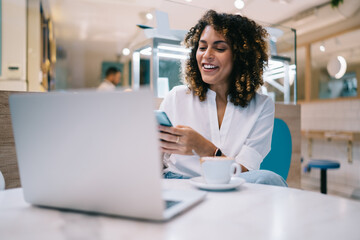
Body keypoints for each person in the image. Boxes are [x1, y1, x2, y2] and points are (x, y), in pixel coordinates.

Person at [158, 10, 287, 187]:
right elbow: (154, 162)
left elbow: (245, 173)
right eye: (202, 47)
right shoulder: (176, 97)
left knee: (268, 179)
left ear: (241, 56)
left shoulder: (262, 106)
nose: (206, 55)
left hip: (229, 183)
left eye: (219, 48)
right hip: (179, 184)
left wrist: (206, 149)